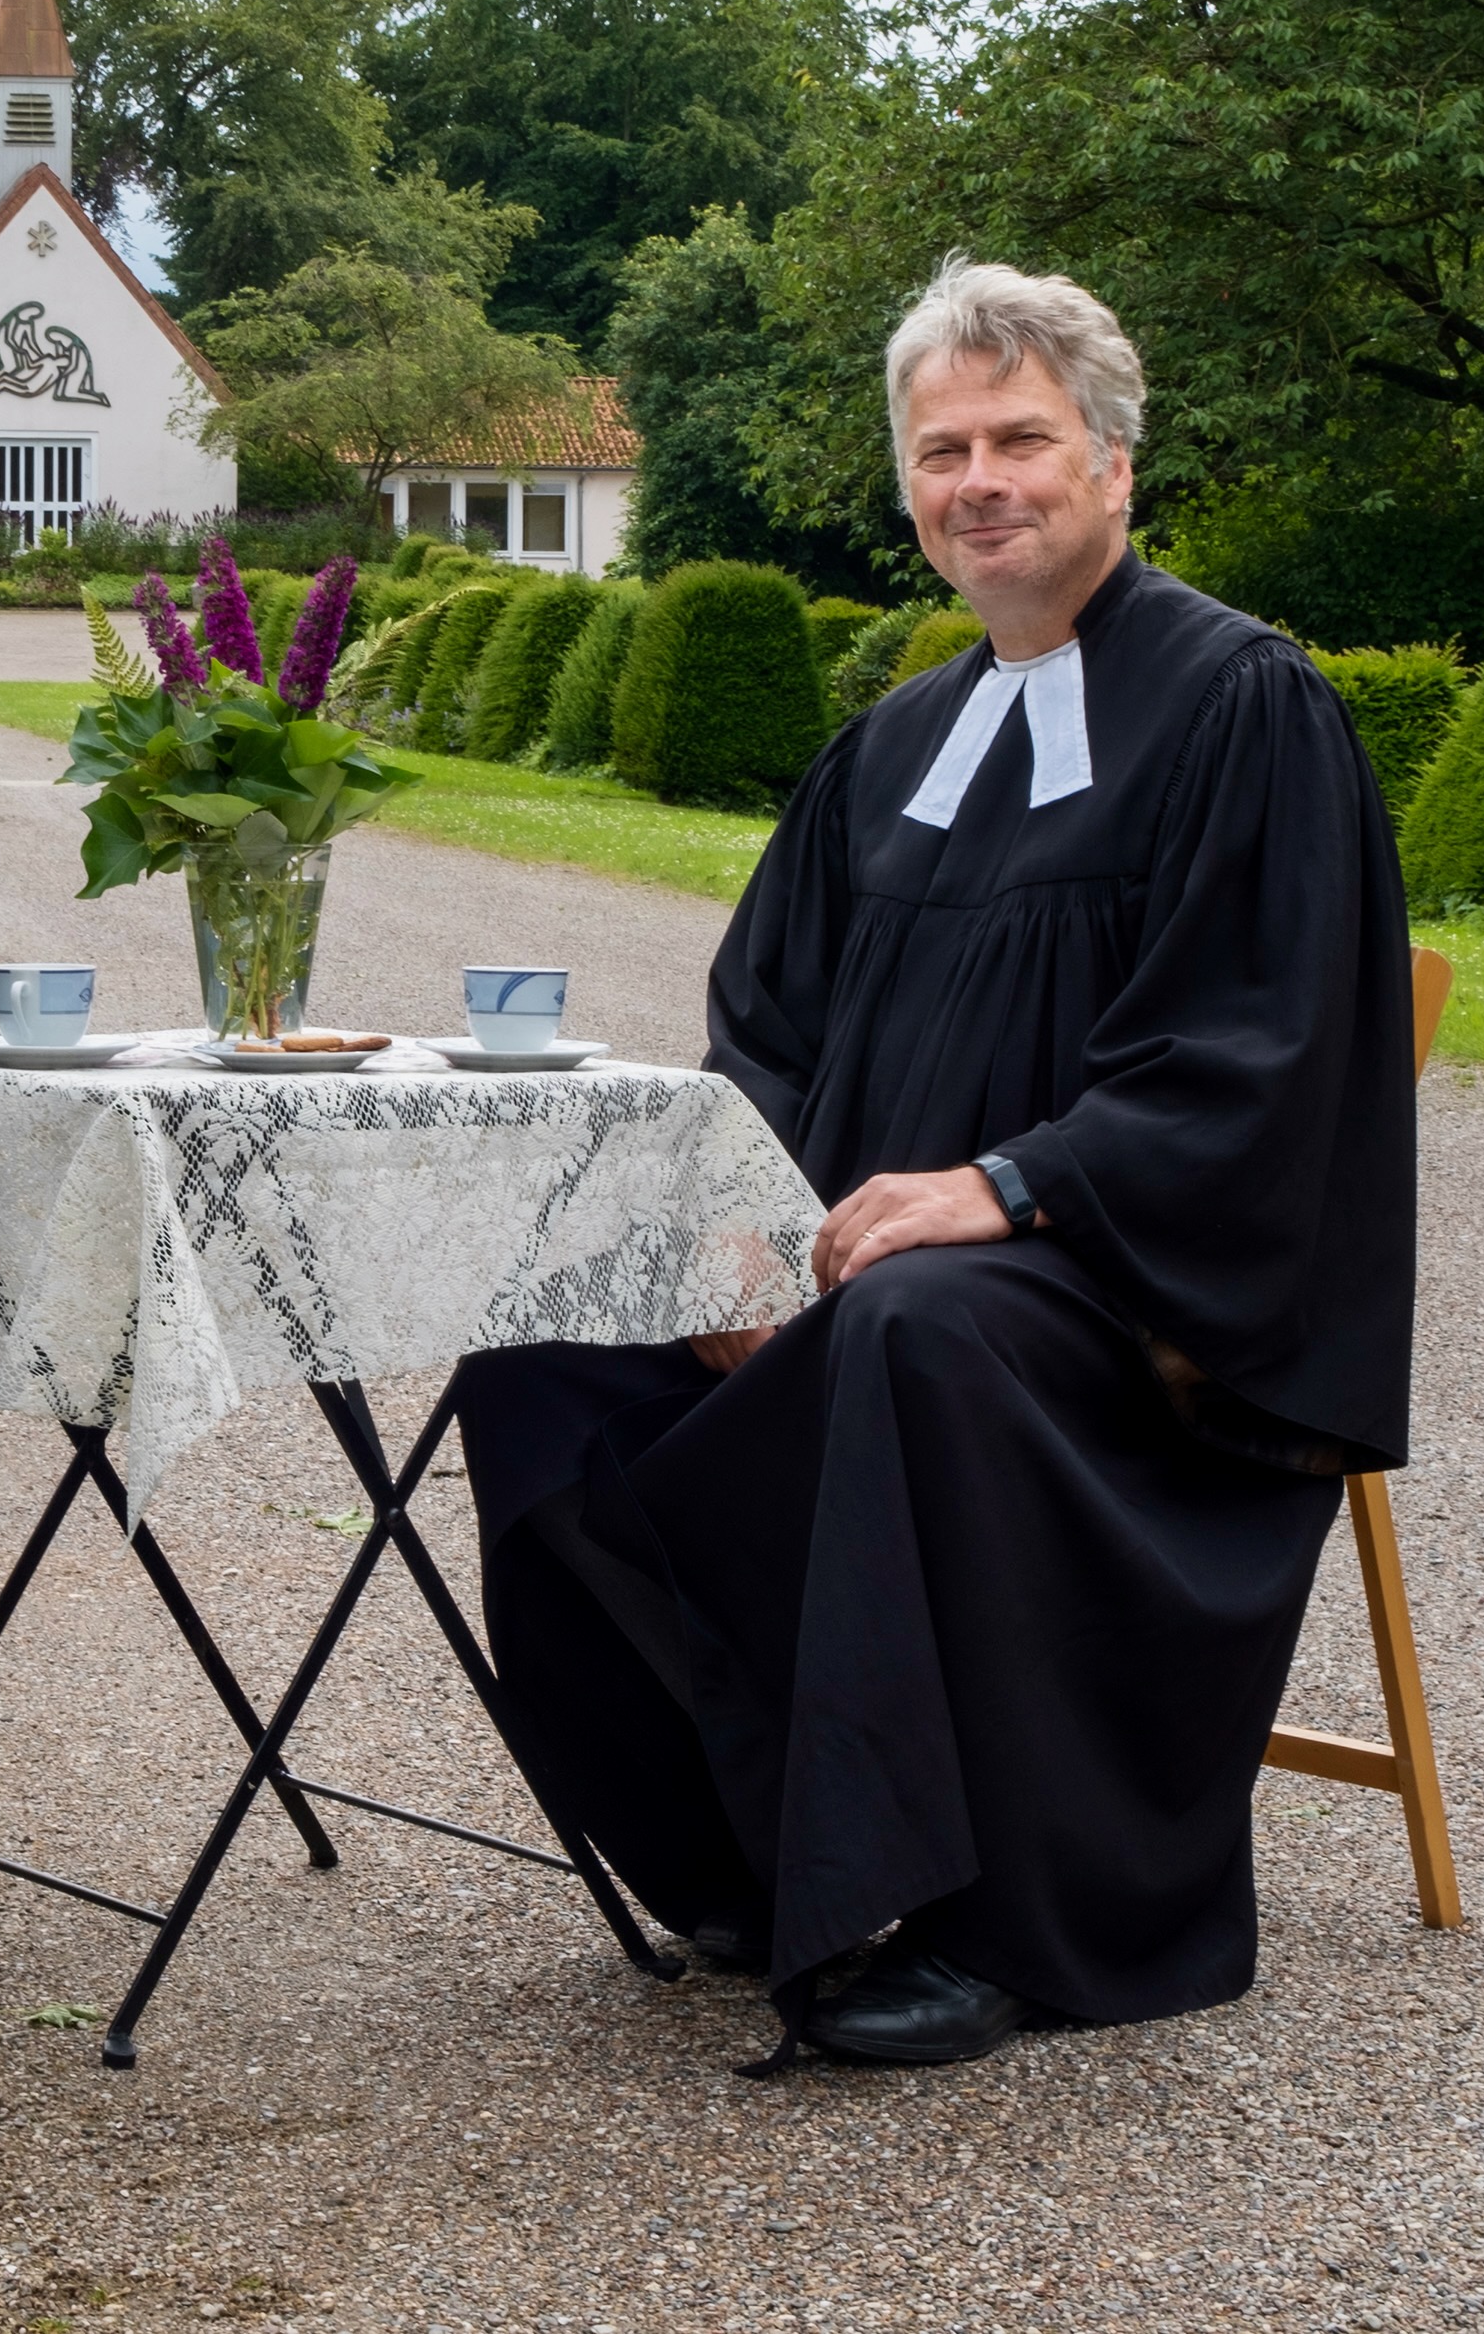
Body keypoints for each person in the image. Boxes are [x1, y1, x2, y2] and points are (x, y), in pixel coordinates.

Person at [454, 262, 1414, 2070]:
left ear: (1115, 465)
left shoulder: (1241, 710)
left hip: (1126, 1307)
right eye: (944, 449)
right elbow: (765, 1030)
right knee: (546, 1348)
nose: (983, 479)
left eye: (1023, 440)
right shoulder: (890, 745)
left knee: (925, 1330)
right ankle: (748, 1854)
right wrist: (746, 1235)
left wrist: (1015, 1186)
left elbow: (1262, 1055)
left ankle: (1010, 1919)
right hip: (856, 1276)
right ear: (911, 491)